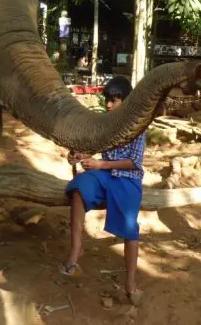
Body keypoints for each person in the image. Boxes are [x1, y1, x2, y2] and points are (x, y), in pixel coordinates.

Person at [61, 76, 146, 305]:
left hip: (127, 179)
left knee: (130, 229)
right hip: (105, 175)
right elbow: (92, 147)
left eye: (115, 100)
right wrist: (78, 156)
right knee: (78, 188)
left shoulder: (139, 125)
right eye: (107, 99)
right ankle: (76, 250)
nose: (108, 105)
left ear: (126, 102)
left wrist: (101, 165)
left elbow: (134, 162)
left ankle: (130, 283)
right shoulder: (105, 123)